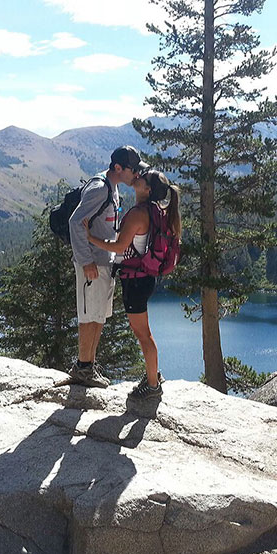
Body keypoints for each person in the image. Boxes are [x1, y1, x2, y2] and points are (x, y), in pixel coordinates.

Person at [84, 169, 181, 401]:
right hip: (144, 278)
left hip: (135, 281)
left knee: (143, 334)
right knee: (144, 333)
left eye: (143, 178)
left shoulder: (139, 214)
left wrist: (89, 238)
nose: (138, 176)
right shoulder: (156, 210)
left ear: (147, 190)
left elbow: (119, 248)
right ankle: (153, 376)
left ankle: (152, 385)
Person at [67, 145, 149, 388]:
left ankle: (89, 366)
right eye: (132, 171)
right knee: (89, 316)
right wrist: (86, 261)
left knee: (99, 315)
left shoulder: (111, 188)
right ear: (118, 168)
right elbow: (75, 223)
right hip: (92, 264)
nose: (135, 175)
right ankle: (83, 367)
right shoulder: (99, 188)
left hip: (104, 263)